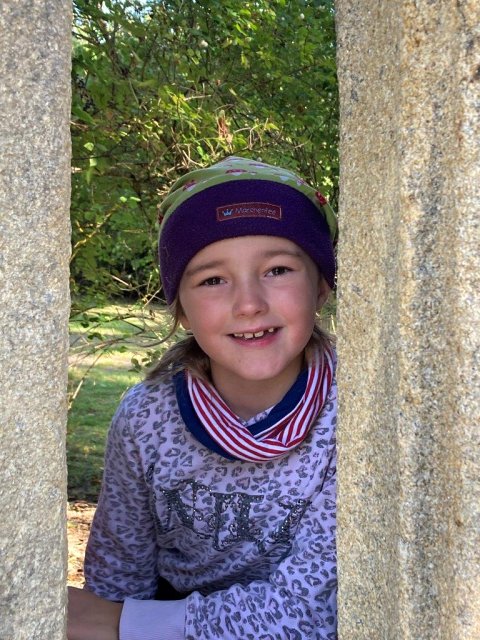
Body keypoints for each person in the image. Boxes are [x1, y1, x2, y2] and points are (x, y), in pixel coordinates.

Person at [68, 156, 338, 640]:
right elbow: (119, 575)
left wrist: (118, 624)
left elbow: (312, 611)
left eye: (277, 269)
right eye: (213, 280)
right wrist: (118, 618)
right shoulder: (146, 417)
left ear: (320, 287)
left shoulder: (350, 416)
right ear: (181, 310)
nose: (249, 303)